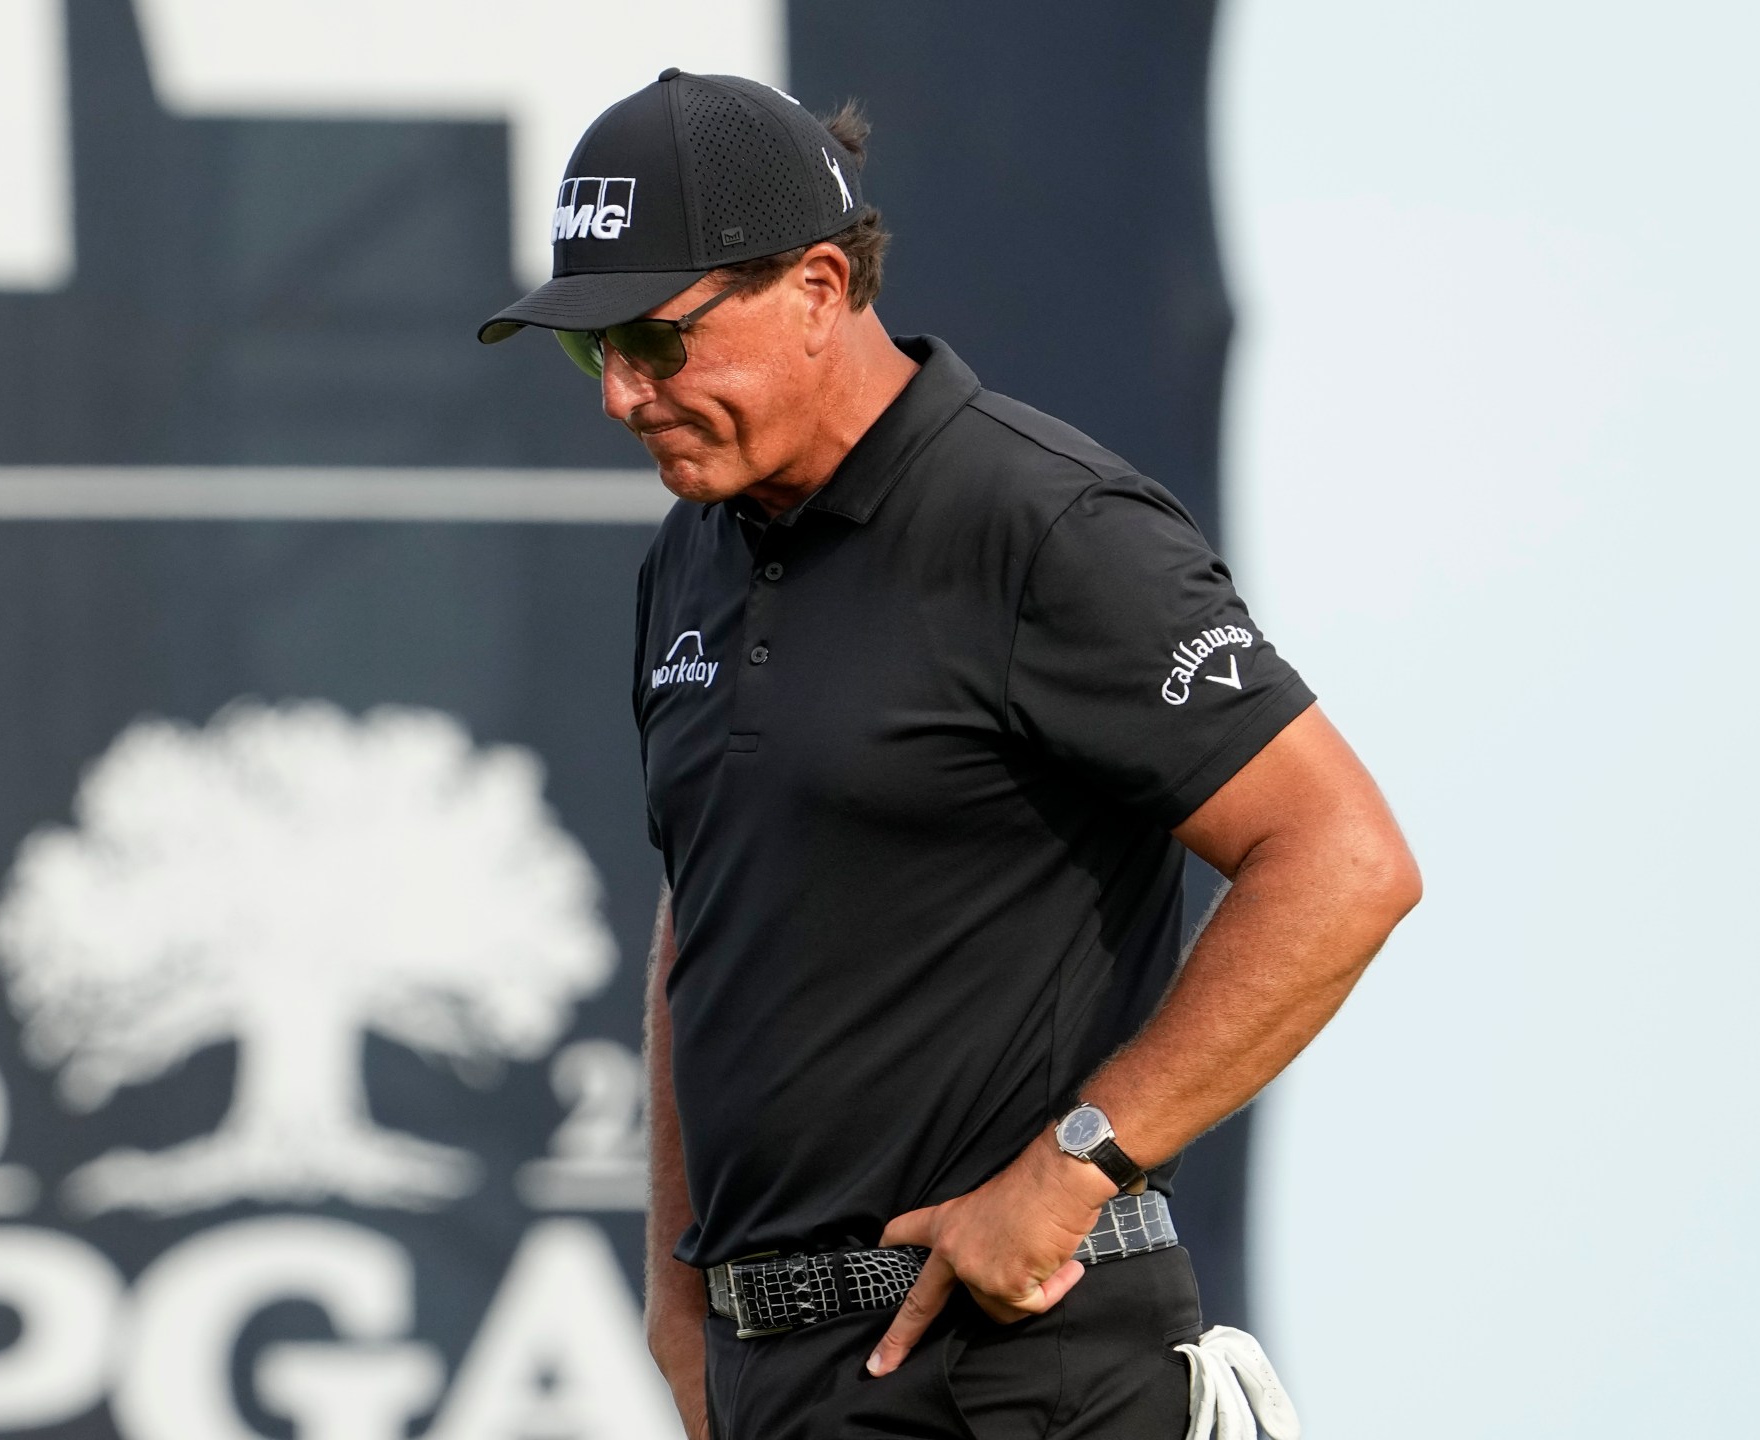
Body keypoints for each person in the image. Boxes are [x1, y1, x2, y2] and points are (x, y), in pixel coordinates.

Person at [477, 70, 1420, 1439]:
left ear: (814, 287)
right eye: (588, 352)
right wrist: (681, 1295)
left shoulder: (1045, 523)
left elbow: (1343, 859)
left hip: (1018, 1369)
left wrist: (1077, 1164)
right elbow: (709, 915)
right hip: (786, 1383)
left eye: (655, 340)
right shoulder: (692, 550)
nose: (624, 396)